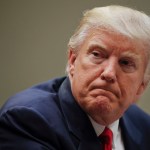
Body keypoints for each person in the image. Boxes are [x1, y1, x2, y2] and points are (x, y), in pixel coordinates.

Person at [0, 5, 150, 150]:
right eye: (97, 55)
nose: (109, 73)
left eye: (125, 63)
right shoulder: (27, 121)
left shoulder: (143, 126)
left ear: (142, 84)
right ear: (73, 60)